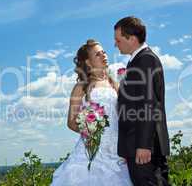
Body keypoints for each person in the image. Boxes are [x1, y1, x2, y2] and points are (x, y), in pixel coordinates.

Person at [51, 39, 133, 186]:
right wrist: (90, 130)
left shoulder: (114, 83)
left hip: (116, 150)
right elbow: (71, 122)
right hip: (91, 149)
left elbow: (123, 116)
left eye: (104, 52)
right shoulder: (81, 87)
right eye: (97, 54)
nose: (103, 56)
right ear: (88, 62)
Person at [114, 16, 170, 186]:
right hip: (136, 145)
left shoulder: (145, 60)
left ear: (131, 38)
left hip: (144, 146)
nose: (115, 44)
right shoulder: (136, 61)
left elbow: (148, 103)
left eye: (118, 39)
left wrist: (144, 145)